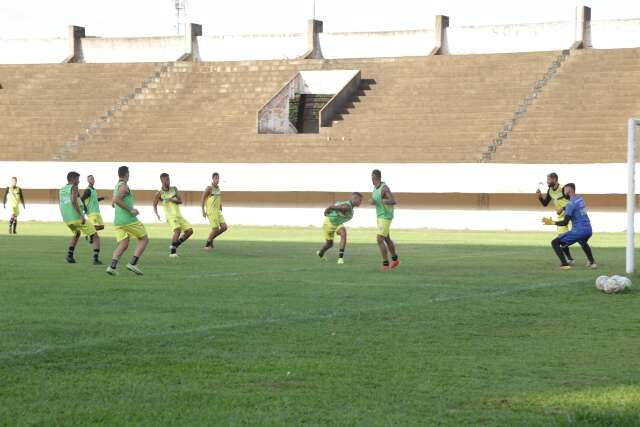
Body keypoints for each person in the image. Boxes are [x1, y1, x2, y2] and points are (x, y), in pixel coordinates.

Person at [542, 183, 597, 270]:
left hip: (579, 231)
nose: (563, 191)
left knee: (555, 242)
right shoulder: (580, 198)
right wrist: (564, 208)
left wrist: (552, 222)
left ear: (568, 189)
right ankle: (592, 262)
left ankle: (565, 264)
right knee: (582, 241)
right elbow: (574, 205)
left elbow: (565, 222)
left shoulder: (570, 204)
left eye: (564, 190)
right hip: (588, 229)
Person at [106, 166, 149, 276]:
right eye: (129, 173)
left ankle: (112, 267)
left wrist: (117, 203)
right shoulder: (124, 186)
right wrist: (131, 210)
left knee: (124, 244)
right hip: (128, 220)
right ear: (126, 174)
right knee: (144, 239)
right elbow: (116, 200)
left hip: (118, 221)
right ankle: (133, 263)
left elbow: (113, 202)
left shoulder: (116, 186)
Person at [59, 171, 101, 265]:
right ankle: (95, 258)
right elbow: (74, 201)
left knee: (77, 233)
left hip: (67, 219)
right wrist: (82, 215)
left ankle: (69, 256)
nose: (79, 181)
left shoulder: (61, 190)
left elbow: (62, 204)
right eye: (78, 179)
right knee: (95, 236)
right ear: (73, 179)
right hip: (77, 218)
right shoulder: (74, 187)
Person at [153, 173, 194, 257]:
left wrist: (172, 199)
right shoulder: (159, 193)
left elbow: (180, 201)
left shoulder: (174, 189)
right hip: (170, 216)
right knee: (177, 230)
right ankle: (172, 252)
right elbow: (154, 204)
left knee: (190, 231)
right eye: (166, 180)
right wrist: (157, 214)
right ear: (161, 181)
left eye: (168, 179)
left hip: (179, 215)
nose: (168, 181)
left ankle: (175, 244)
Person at [537, 172, 574, 264]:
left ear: (555, 180)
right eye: (547, 179)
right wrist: (540, 197)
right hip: (561, 217)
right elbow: (545, 204)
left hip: (570, 214)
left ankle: (589, 260)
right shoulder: (550, 191)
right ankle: (570, 259)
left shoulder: (563, 189)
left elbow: (573, 202)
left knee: (576, 237)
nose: (547, 182)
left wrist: (563, 208)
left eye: (549, 180)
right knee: (562, 239)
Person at [317, 192, 363, 264]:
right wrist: (328, 209)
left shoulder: (349, 207)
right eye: (359, 200)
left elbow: (337, 207)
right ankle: (320, 253)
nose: (360, 202)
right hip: (329, 223)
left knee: (343, 233)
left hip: (337, 224)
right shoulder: (347, 207)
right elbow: (334, 207)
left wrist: (331, 209)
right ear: (354, 199)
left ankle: (340, 258)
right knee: (329, 244)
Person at [370, 169, 399, 271]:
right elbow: (377, 201)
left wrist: (382, 200)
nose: (371, 180)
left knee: (379, 239)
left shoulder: (384, 188)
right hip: (380, 216)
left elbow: (393, 200)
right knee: (387, 239)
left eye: (372, 178)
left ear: (375, 177)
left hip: (386, 217)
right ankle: (395, 260)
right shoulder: (375, 189)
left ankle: (385, 264)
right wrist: (373, 201)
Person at [201, 172, 228, 251]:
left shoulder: (218, 188)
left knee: (224, 227)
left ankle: (211, 239)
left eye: (218, 178)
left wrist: (220, 205)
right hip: (211, 211)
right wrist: (203, 211)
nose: (217, 180)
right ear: (212, 179)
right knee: (215, 229)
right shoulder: (209, 188)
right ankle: (207, 244)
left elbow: (218, 198)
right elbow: (202, 199)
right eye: (216, 178)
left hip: (218, 211)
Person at [81, 175, 105, 245]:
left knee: (101, 227)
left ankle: (87, 232)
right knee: (94, 226)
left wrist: (102, 198)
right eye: (90, 179)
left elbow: (95, 200)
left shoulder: (93, 190)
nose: (92, 180)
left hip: (97, 212)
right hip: (91, 212)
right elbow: (82, 199)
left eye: (93, 179)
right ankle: (90, 235)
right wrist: (85, 208)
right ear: (88, 181)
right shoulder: (88, 190)